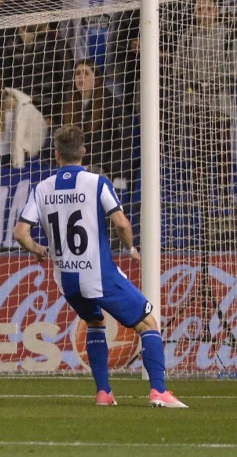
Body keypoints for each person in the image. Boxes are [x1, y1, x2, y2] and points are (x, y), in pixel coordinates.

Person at [13, 125, 187, 408]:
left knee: (95, 322)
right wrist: (130, 247)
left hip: (67, 278)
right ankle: (159, 391)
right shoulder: (97, 183)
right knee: (148, 322)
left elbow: (20, 232)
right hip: (98, 273)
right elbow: (120, 223)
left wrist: (38, 250)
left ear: (56, 155)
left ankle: (104, 393)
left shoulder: (41, 188)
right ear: (83, 152)